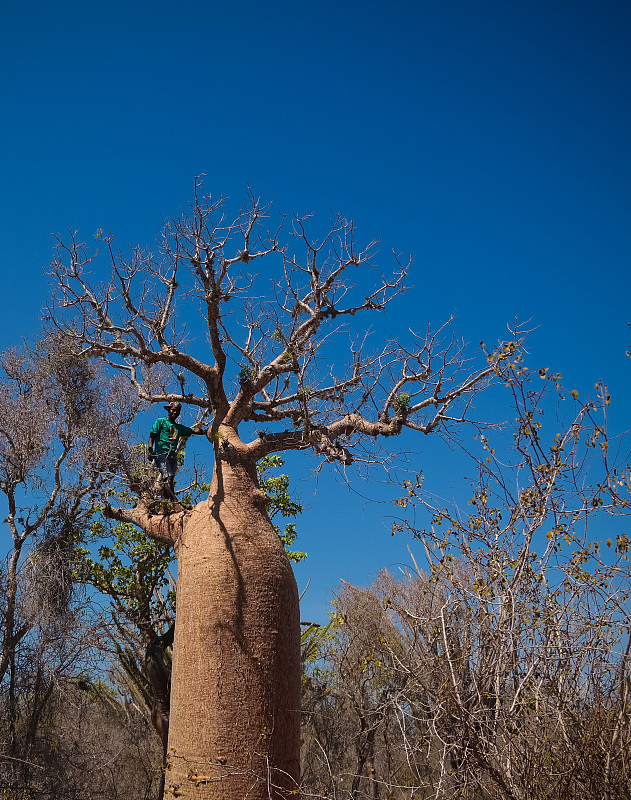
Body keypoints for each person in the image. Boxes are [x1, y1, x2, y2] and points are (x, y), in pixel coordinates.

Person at [147, 402, 206, 508]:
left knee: (169, 481)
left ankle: (163, 508)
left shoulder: (178, 428)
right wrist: (150, 450)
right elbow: (152, 436)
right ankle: (177, 504)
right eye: (173, 410)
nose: (175, 412)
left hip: (172, 456)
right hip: (161, 454)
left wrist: (206, 431)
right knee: (167, 477)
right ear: (168, 410)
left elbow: (193, 430)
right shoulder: (161, 422)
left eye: (177, 411)